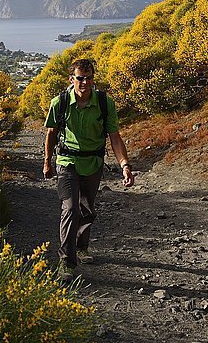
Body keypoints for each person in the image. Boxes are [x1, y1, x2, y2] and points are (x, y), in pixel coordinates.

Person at [43, 59, 134, 282]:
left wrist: (125, 166)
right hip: (67, 162)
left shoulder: (104, 102)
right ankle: (67, 261)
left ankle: (82, 247)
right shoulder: (60, 102)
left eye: (89, 78)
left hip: (93, 162)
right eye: (80, 78)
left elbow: (114, 137)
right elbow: (51, 134)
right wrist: (47, 162)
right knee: (70, 209)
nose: (85, 82)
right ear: (71, 79)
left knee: (86, 208)